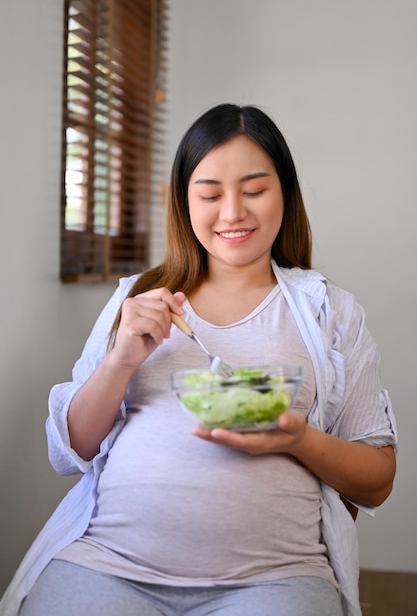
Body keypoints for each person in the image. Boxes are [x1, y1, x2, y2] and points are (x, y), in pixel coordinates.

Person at [1, 104, 397, 616]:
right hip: (112, 562)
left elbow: (377, 480)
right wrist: (119, 361)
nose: (232, 213)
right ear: (185, 201)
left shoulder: (329, 310)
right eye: (210, 195)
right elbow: (71, 449)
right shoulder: (139, 297)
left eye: (254, 190)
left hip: (273, 579)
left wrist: (299, 438)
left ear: (286, 194)